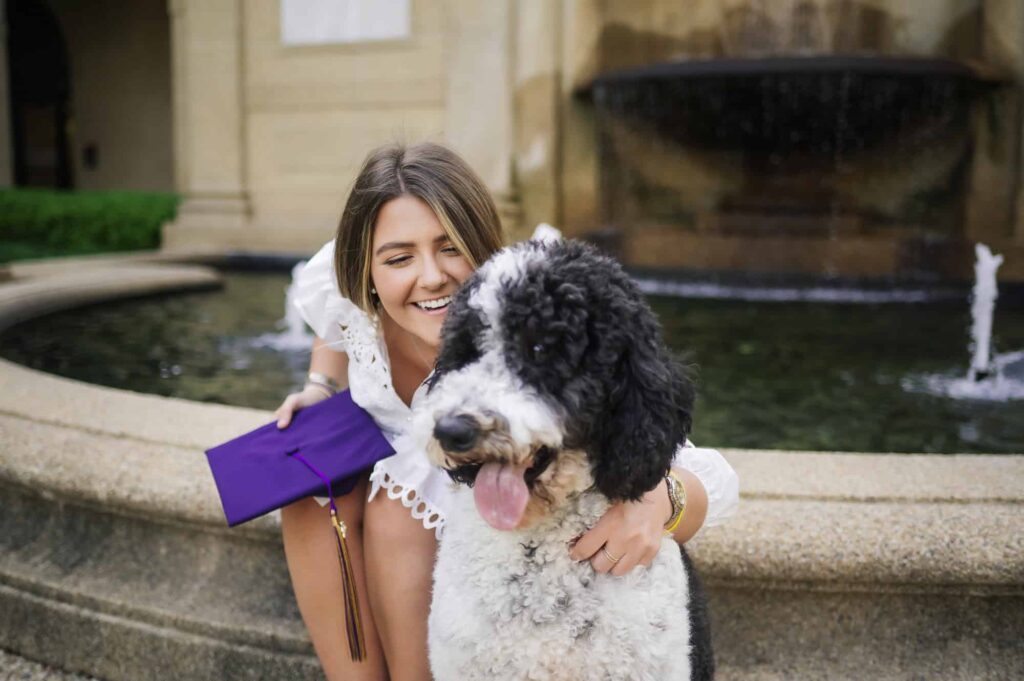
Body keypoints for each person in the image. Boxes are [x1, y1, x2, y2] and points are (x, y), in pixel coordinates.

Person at [275, 142, 739, 681]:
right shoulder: (355, 291)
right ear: (367, 270)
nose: (429, 277)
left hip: (472, 482)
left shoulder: (534, 317)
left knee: (395, 513)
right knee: (303, 485)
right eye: (399, 258)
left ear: (483, 247)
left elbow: (700, 463)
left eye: (449, 248)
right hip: (439, 458)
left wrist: (657, 501)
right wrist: (320, 386)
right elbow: (335, 322)